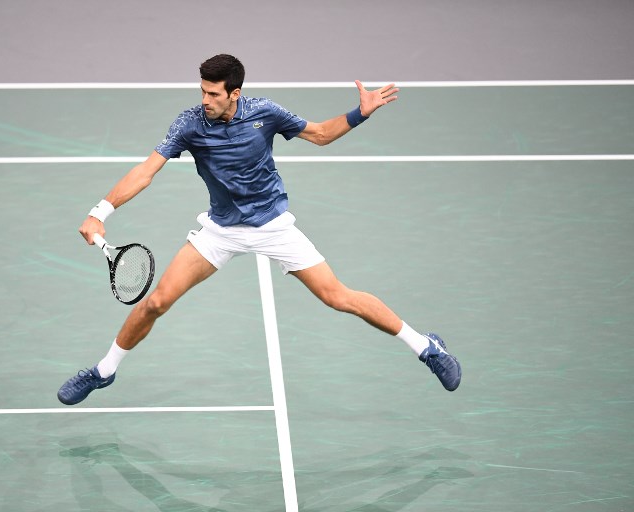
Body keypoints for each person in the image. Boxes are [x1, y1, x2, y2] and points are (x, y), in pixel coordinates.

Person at [57, 54, 461, 405]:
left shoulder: (264, 113)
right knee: (156, 302)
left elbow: (320, 134)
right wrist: (101, 210)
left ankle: (427, 347)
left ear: (234, 93)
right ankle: (103, 371)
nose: (205, 100)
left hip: (272, 225)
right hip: (220, 230)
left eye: (213, 94)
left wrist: (361, 113)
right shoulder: (189, 124)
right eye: (202, 91)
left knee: (338, 297)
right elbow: (146, 171)